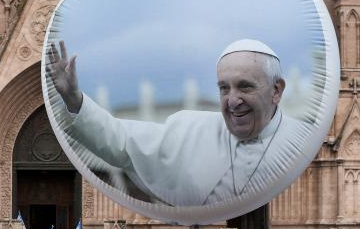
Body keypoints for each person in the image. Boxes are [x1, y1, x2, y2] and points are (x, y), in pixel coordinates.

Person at [48, 39, 305, 206]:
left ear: (276, 90)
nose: (233, 101)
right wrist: (74, 100)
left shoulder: (302, 141)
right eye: (224, 89)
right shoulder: (190, 130)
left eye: (245, 87)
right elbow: (123, 142)